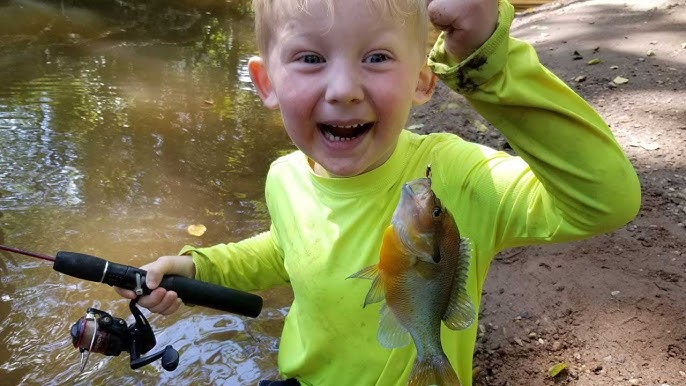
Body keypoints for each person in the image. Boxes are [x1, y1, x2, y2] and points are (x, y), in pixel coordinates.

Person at [116, 0, 641, 385]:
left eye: (377, 58)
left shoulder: (456, 174)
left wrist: (489, 62)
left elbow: (605, 200)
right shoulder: (284, 176)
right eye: (309, 59)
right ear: (265, 82)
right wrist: (199, 268)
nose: (343, 88)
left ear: (424, 79)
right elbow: (287, 251)